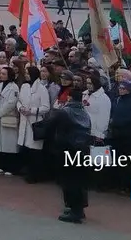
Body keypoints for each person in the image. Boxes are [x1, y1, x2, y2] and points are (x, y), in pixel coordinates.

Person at [44, 87, 92, 224]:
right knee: (79, 180)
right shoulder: (85, 113)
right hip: (83, 149)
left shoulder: (64, 112)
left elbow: (50, 126)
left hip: (67, 149)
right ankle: (79, 208)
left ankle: (74, 211)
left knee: (69, 180)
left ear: (70, 97)